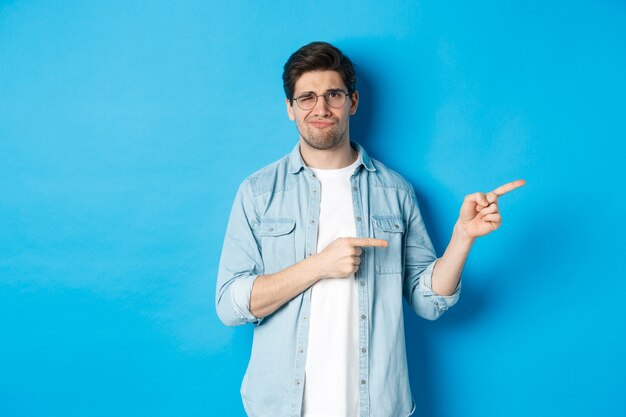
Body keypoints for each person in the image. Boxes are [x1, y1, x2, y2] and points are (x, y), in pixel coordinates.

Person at [216, 41, 525, 417]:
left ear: (353, 101)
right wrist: (320, 264)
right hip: (281, 406)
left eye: (333, 94)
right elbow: (231, 305)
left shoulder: (395, 191)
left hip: (376, 405)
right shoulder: (258, 192)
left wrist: (462, 238)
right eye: (307, 98)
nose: (321, 108)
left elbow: (428, 303)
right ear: (290, 109)